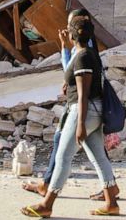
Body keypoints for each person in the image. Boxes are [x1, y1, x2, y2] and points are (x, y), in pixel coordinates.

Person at [21, 15, 119, 218]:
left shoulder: (83, 57)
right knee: (99, 158)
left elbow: (83, 93)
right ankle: (111, 203)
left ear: (74, 34)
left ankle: (47, 204)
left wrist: (81, 124)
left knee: (63, 157)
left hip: (83, 112)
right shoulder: (90, 53)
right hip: (94, 111)